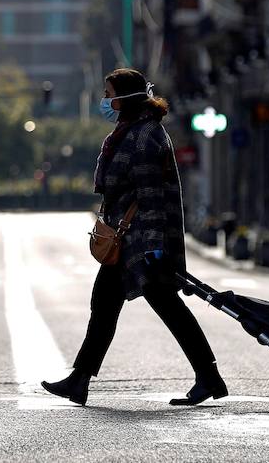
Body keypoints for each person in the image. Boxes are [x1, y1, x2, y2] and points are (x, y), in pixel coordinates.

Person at [41, 68, 228, 407]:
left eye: (109, 93)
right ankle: (80, 379)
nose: (106, 100)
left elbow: (152, 193)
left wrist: (156, 246)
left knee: (164, 307)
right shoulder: (130, 130)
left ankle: (209, 376)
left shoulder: (144, 136)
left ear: (126, 97)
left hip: (141, 242)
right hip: (129, 241)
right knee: (107, 305)